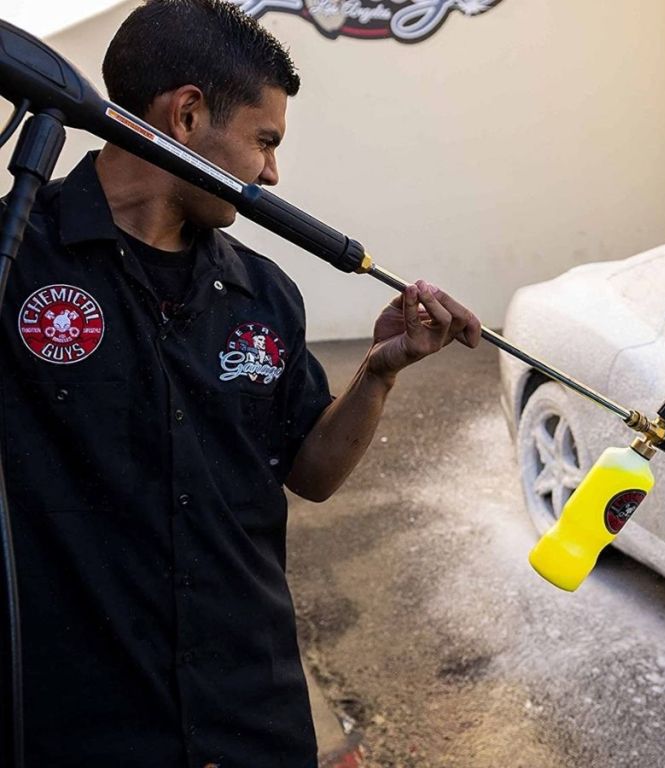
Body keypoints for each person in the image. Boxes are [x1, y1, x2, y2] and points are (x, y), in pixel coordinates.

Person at [0, 0, 481, 765]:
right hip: (74, 724)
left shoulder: (264, 293)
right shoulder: (16, 261)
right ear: (187, 115)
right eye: (264, 140)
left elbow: (312, 476)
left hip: (250, 716)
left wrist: (379, 374)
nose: (272, 172)